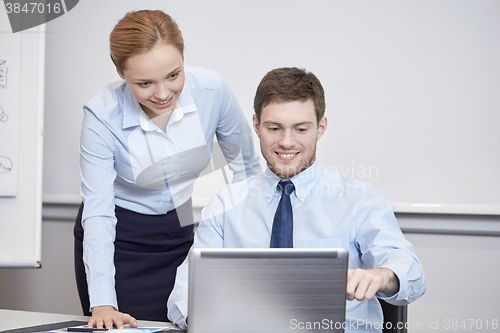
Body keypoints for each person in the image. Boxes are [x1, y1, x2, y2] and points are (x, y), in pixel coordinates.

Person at [167, 67, 426, 332]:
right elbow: (184, 293)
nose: (286, 142)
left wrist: (382, 276)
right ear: (257, 126)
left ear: (320, 127)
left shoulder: (359, 199)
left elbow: (411, 273)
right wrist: (207, 321)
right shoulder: (225, 203)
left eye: (300, 128)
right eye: (274, 128)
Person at [74, 9, 261, 329]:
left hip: (179, 232)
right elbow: (99, 213)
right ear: (120, 72)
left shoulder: (212, 92)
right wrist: (103, 303)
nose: (162, 94)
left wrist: (257, 253)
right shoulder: (102, 116)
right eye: (144, 83)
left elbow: (248, 172)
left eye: (174, 75)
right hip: (120, 240)